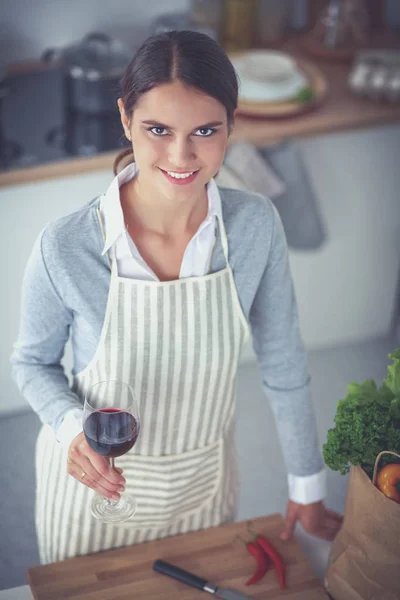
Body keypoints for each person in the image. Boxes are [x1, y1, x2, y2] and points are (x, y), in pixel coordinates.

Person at [11, 30, 343, 564]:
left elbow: (283, 362)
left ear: (232, 126)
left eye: (205, 130)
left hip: (201, 490)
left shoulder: (255, 227)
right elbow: (32, 363)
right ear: (125, 118)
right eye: (158, 129)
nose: (181, 156)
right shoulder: (66, 246)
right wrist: (72, 428)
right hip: (90, 493)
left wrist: (307, 487)